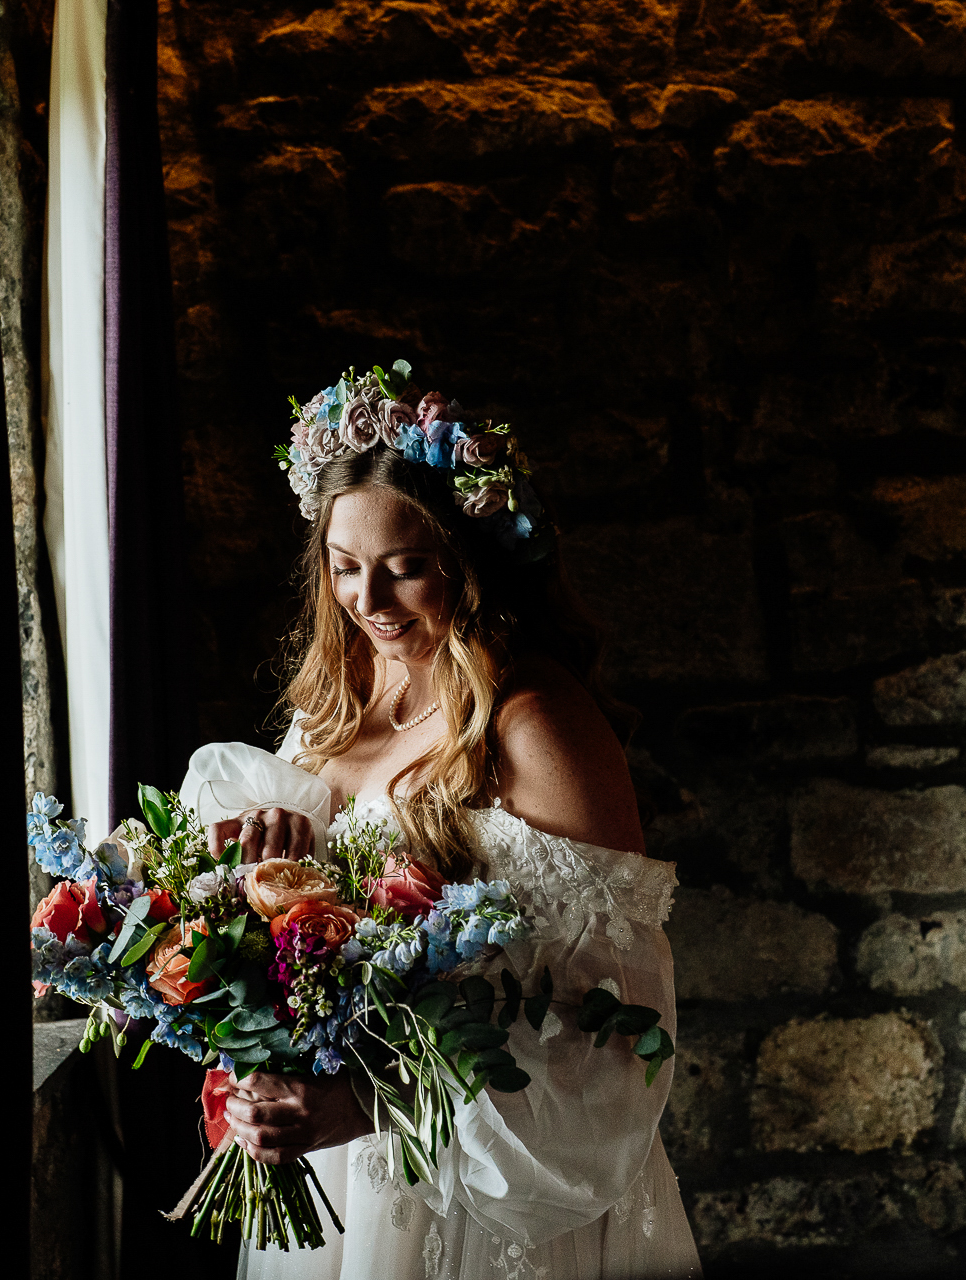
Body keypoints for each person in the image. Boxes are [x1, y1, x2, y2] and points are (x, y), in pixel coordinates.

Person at [198, 369, 702, 1279]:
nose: (371, 603)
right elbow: (311, 944)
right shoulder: (330, 707)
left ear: (472, 563)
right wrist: (262, 886)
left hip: (483, 1192)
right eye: (344, 568)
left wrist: (366, 1101)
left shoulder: (535, 722)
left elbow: (613, 1026)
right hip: (342, 1179)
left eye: (406, 568)